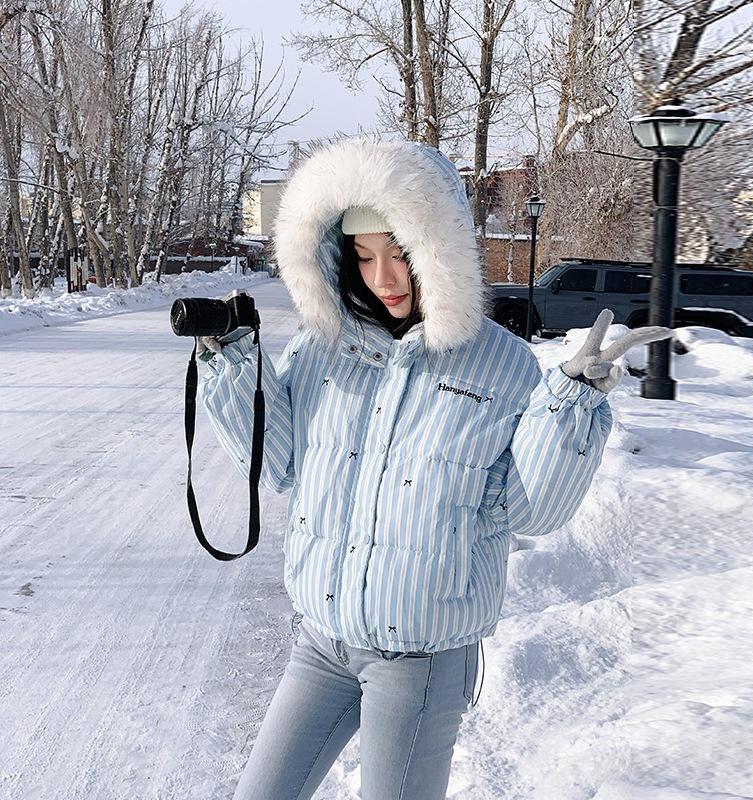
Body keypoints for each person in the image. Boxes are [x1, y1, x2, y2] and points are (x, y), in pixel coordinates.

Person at [194, 137, 672, 800]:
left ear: (438, 250)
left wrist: (571, 401)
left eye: (400, 254)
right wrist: (231, 363)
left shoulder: (500, 366)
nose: (383, 278)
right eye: (363, 257)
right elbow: (274, 466)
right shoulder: (321, 348)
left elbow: (535, 510)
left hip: (417, 662)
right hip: (321, 643)